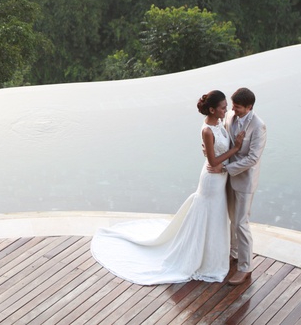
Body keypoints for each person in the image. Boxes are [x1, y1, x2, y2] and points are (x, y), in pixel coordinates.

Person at [90, 90, 245, 284]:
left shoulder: (219, 122)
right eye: (223, 108)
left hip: (219, 179)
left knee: (216, 217)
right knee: (210, 215)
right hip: (212, 180)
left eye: (226, 107)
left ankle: (213, 257)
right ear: (212, 110)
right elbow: (213, 162)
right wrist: (236, 149)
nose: (227, 110)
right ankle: (203, 260)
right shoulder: (207, 130)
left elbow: (213, 153)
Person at [208, 87, 266, 286]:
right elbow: (222, 138)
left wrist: (226, 167)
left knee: (241, 223)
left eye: (238, 107)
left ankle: (245, 267)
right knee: (231, 219)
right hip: (227, 179)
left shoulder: (259, 126)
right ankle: (233, 254)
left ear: (249, 107)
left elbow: (253, 158)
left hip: (244, 180)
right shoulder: (230, 116)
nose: (234, 110)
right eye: (233, 106)